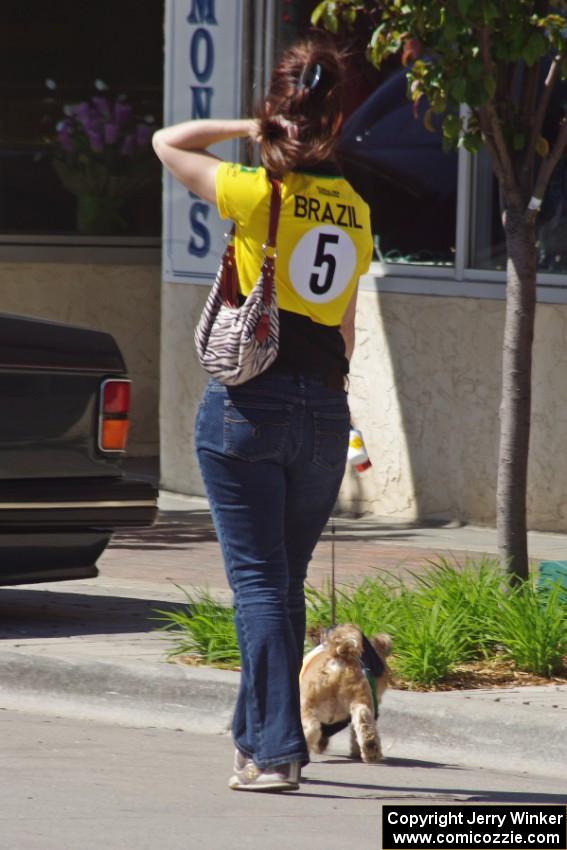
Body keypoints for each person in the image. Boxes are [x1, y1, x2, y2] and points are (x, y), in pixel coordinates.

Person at [153, 36, 373, 792]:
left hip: (250, 404)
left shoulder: (252, 189)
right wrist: (342, 407)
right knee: (280, 582)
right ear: (336, 117)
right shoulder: (354, 208)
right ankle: (256, 738)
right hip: (323, 406)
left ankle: (276, 750)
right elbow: (344, 325)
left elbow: (166, 141)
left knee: (258, 583)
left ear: (279, 109)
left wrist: (252, 131)